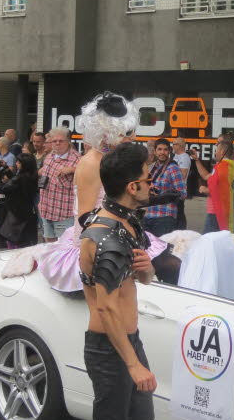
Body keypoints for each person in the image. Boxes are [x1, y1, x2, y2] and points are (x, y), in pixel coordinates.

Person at [12, 93, 166, 293]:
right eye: (127, 132)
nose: (133, 138)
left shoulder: (110, 160)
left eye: (132, 131)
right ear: (106, 133)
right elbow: (85, 217)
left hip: (116, 233)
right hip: (96, 243)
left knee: (166, 265)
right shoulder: (91, 163)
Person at [79, 142, 156, 420]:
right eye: (147, 178)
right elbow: (107, 307)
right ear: (132, 187)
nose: (151, 184)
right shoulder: (105, 235)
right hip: (108, 347)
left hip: (128, 340)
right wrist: (133, 364)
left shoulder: (127, 224)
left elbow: (137, 280)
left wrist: (147, 269)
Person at [193, 141, 234, 232]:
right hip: (217, 210)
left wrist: (205, 189)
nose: (215, 153)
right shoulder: (225, 166)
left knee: (208, 240)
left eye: (216, 150)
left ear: (222, 152)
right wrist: (196, 159)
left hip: (217, 211)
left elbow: (217, 189)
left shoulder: (223, 167)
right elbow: (207, 177)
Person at [37, 128, 81, 243]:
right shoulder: (49, 156)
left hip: (64, 214)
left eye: (61, 141)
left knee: (64, 247)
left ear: (68, 141)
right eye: (54, 141)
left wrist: (73, 169)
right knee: (49, 245)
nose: (57, 143)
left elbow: (90, 174)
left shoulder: (77, 159)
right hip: (46, 210)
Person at [0, 153, 39, 249]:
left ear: (24, 164)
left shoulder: (19, 178)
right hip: (27, 212)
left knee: (14, 242)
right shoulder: (32, 176)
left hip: (15, 213)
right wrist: (6, 168)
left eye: (18, 162)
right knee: (24, 243)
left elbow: (1, 188)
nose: (16, 164)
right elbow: (15, 181)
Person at [143, 138, 187, 237]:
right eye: (159, 149)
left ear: (169, 151)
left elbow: (183, 194)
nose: (162, 152)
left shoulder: (173, 168)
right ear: (155, 151)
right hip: (148, 215)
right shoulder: (153, 168)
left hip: (164, 217)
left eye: (165, 149)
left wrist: (161, 194)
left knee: (162, 250)